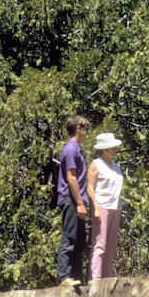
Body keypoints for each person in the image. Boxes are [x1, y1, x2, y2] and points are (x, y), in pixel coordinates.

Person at [56, 115, 89, 286]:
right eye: (86, 128)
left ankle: (76, 277)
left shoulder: (76, 149)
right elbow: (71, 178)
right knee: (69, 237)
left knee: (80, 240)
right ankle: (64, 276)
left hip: (76, 200)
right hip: (71, 199)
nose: (87, 132)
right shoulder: (70, 149)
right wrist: (80, 203)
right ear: (78, 128)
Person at [87, 132, 124, 280]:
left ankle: (107, 279)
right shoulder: (96, 164)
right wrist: (95, 208)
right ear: (105, 149)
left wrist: (120, 212)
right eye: (112, 147)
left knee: (111, 246)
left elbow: (117, 191)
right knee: (100, 245)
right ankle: (95, 279)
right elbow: (90, 187)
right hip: (102, 206)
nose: (115, 149)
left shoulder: (116, 166)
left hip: (115, 207)